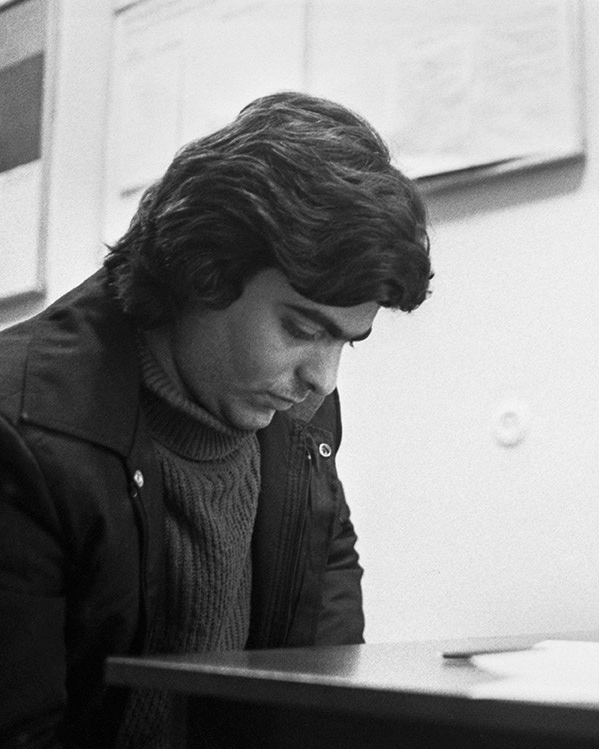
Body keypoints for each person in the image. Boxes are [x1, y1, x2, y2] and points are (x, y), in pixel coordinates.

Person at [0, 92, 432, 748]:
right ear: (205, 272)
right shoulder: (24, 431)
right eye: (300, 328)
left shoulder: (301, 421)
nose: (322, 379)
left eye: (347, 342)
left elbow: (324, 691)